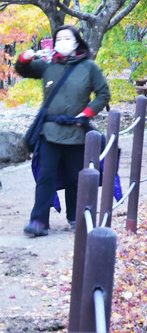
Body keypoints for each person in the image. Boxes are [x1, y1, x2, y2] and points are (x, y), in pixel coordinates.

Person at [15, 26, 110, 237]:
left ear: (76, 42)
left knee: (75, 178)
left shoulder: (89, 67)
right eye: (59, 38)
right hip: (49, 131)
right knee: (46, 176)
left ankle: (76, 217)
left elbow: (103, 94)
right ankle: (38, 221)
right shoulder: (49, 64)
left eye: (67, 38)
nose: (63, 41)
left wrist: (86, 113)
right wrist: (25, 57)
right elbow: (23, 70)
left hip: (77, 133)